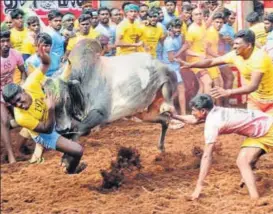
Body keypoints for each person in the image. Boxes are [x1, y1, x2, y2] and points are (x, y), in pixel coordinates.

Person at [2, 41, 86, 174]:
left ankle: (68, 163)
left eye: (18, 100)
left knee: (80, 125)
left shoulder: (31, 83)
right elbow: (46, 130)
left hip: (51, 115)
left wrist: (44, 57)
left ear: (23, 91)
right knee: (78, 150)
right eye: (14, 104)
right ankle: (71, 172)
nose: (18, 105)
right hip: (44, 133)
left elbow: (45, 64)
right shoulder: (20, 117)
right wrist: (51, 108)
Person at [171, 94, 273, 200]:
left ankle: (254, 194)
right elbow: (193, 120)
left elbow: (207, 156)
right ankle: (255, 198)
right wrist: (174, 116)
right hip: (259, 132)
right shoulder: (215, 111)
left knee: (243, 161)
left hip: (269, 129)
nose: (192, 113)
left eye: (193, 110)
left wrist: (199, 186)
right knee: (242, 161)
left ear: (203, 111)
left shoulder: (212, 123)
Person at [180, 29, 273, 115]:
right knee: (255, 129)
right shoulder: (235, 55)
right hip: (255, 100)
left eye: (237, 44)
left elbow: (253, 86)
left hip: (271, 100)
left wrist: (228, 92)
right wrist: (192, 65)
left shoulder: (260, 58)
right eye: (234, 43)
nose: (234, 46)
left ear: (248, 46)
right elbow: (212, 61)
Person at [0, 30, 27, 163]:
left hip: (11, 90)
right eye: (2, 41)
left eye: (7, 41)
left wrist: (22, 84)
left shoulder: (15, 54)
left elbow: (23, 71)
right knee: (4, 121)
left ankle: (22, 147)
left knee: (22, 119)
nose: (5, 44)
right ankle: (11, 156)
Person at [185, 8, 212, 94]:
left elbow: (207, 23)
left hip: (202, 61)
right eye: (196, 14)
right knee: (208, 82)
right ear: (192, 17)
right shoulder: (191, 30)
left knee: (202, 86)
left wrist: (215, 11)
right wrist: (198, 55)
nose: (199, 16)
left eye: (200, 14)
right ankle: (207, 106)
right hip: (195, 62)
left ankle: (196, 106)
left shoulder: (202, 24)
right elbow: (186, 51)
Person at [162, 18, 186, 117]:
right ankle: (181, 114)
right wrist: (182, 58)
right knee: (180, 90)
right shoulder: (168, 41)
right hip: (170, 68)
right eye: (176, 27)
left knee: (175, 92)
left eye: (179, 27)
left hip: (175, 67)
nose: (178, 29)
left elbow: (185, 44)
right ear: (170, 28)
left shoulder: (179, 36)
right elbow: (172, 59)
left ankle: (176, 113)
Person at [205, 12, 224, 105]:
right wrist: (218, 57)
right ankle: (215, 108)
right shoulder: (211, 32)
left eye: (221, 22)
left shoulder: (215, 32)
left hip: (214, 62)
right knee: (217, 86)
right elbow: (207, 49)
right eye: (217, 22)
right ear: (212, 22)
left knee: (220, 85)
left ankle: (217, 107)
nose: (219, 24)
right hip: (210, 63)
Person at [10, 9, 28, 83]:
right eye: (17, 18)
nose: (20, 20)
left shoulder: (29, 31)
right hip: (17, 67)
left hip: (29, 64)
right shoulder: (10, 34)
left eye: (21, 18)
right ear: (13, 20)